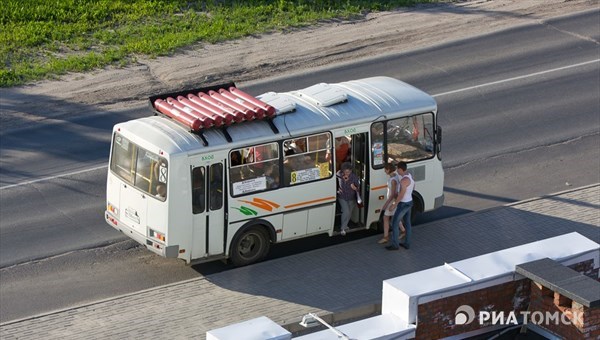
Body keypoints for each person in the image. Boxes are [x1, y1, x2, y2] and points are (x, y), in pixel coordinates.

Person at [386, 161, 414, 250]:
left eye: (397, 169)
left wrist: (394, 204)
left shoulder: (403, 181)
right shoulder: (409, 175)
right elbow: (414, 186)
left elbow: (401, 194)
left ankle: (395, 245)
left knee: (394, 223)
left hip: (403, 204)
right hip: (409, 201)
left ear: (401, 169)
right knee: (407, 223)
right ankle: (407, 243)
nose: (397, 171)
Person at [378, 163, 406, 244]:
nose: (384, 171)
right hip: (392, 201)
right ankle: (404, 231)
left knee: (385, 218)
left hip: (391, 201)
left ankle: (386, 237)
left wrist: (386, 204)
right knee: (395, 217)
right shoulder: (395, 176)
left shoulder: (393, 180)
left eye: (385, 169)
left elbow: (393, 194)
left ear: (388, 169)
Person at [336, 162, 360, 236]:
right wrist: (337, 189)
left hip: (351, 197)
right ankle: (342, 228)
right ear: (342, 171)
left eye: (349, 171)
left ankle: (345, 226)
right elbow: (333, 180)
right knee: (346, 211)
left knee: (349, 212)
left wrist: (355, 188)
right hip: (342, 196)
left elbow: (358, 187)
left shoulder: (354, 177)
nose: (348, 173)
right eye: (346, 171)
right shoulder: (339, 174)